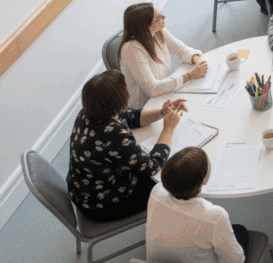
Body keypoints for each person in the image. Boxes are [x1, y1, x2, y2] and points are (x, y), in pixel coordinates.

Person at [67, 71, 186, 222]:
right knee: (172, 179)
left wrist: (162, 112)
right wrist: (168, 129)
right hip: (103, 204)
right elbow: (152, 165)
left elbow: (130, 116)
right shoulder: (113, 135)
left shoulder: (87, 112)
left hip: (84, 189)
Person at [146, 147, 249, 263]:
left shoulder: (156, 191)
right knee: (240, 230)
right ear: (204, 180)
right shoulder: (215, 216)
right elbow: (236, 261)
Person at [119, 2, 208, 109]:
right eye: (159, 17)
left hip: (167, 92)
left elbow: (181, 49)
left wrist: (198, 62)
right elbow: (152, 89)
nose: (164, 17)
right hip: (146, 107)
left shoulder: (158, 32)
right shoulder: (131, 50)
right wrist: (190, 75)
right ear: (146, 26)